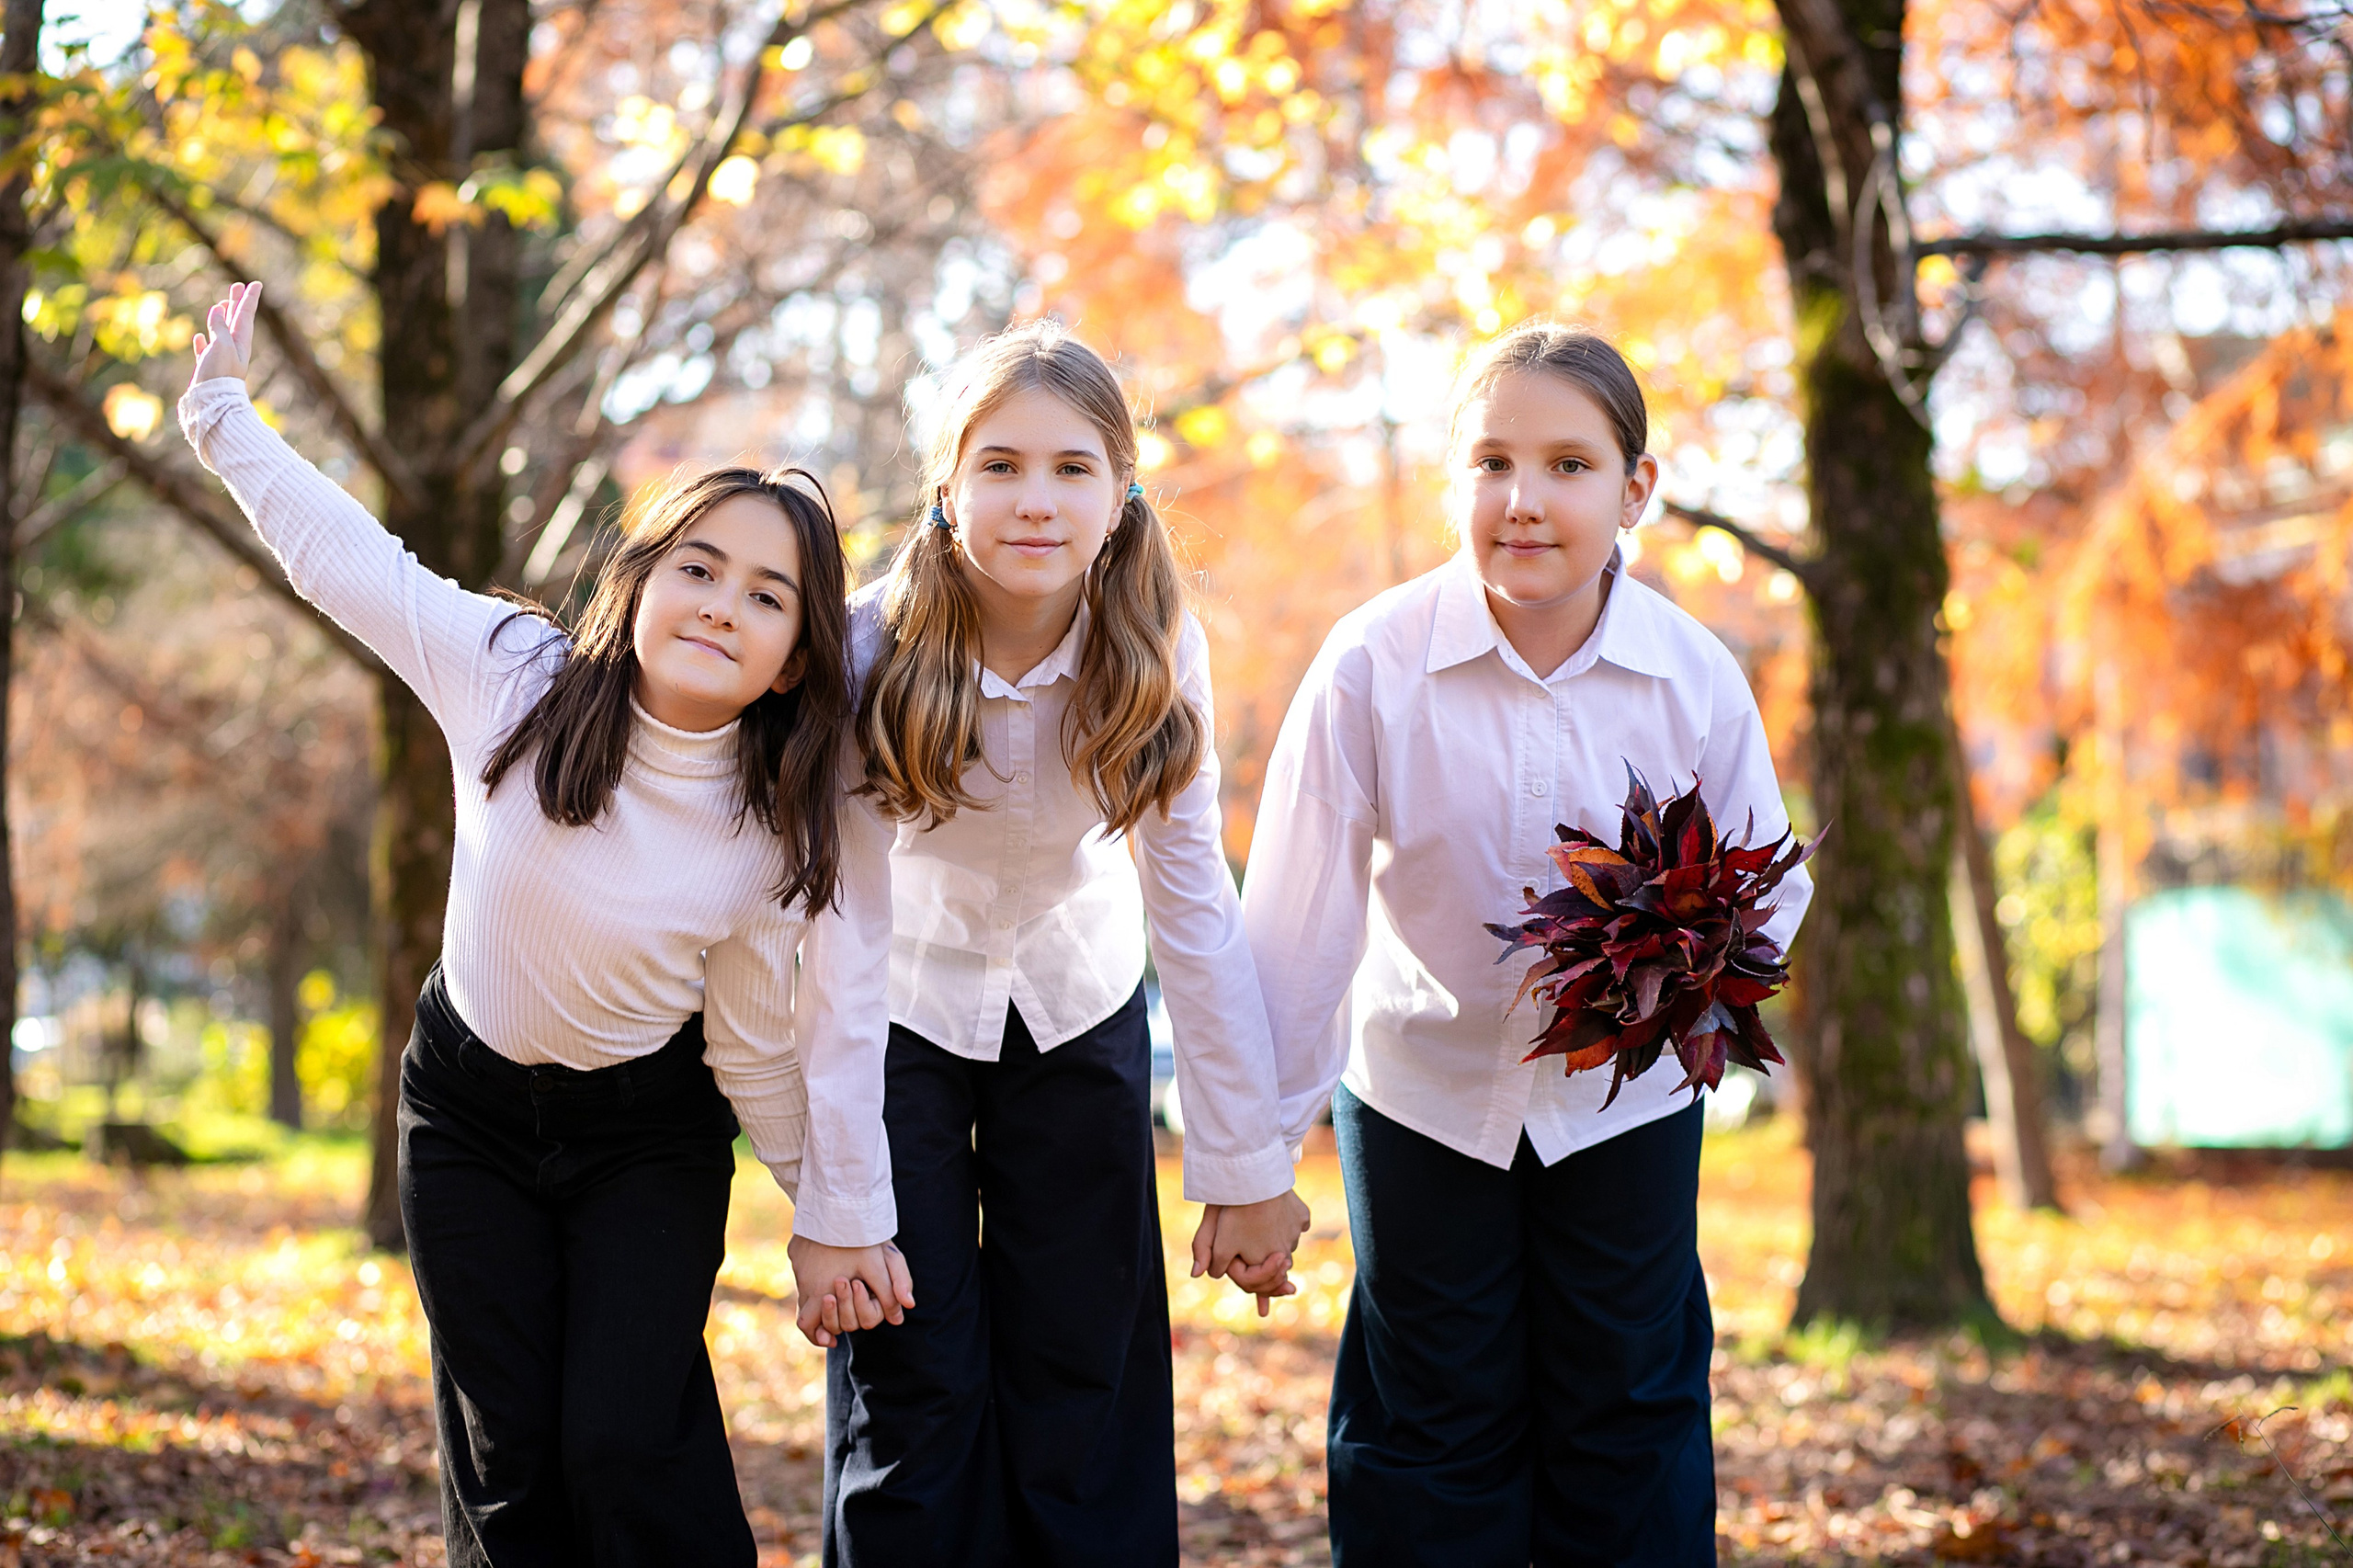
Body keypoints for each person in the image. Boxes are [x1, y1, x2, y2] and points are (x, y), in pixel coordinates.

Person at [180, 280, 911, 1568]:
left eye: (765, 596)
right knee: (510, 1454)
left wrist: (833, 1212)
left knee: (624, 1443)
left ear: (796, 657)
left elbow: (749, 1049)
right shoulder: (515, 678)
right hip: (465, 1118)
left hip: (646, 1139)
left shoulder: (764, 831)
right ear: (638, 581)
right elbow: (355, 567)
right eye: (698, 568)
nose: (720, 606)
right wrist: (224, 413)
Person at [1241, 321, 1813, 1566]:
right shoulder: (1371, 665)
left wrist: (1671, 974)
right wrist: (1254, 1153)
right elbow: (1295, 919)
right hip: (1421, 1095)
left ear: (1635, 488)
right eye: (1492, 462)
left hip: (1626, 1101)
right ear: (1457, 478)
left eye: (1568, 465)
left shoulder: (1693, 677)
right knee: (1431, 1418)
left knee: (1628, 1411)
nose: (1525, 500)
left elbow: (1766, 887)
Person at [819, 321, 1308, 1567]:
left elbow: (1193, 900)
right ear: (947, 487)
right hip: (900, 1016)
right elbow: (837, 917)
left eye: (1072, 467)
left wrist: (1243, 1162)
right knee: (912, 1366)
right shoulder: (870, 646)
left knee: (1081, 1369)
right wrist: (837, 1186)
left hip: (1079, 1000)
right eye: (1001, 466)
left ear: (1122, 489)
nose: (1035, 499)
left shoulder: (1155, 647)